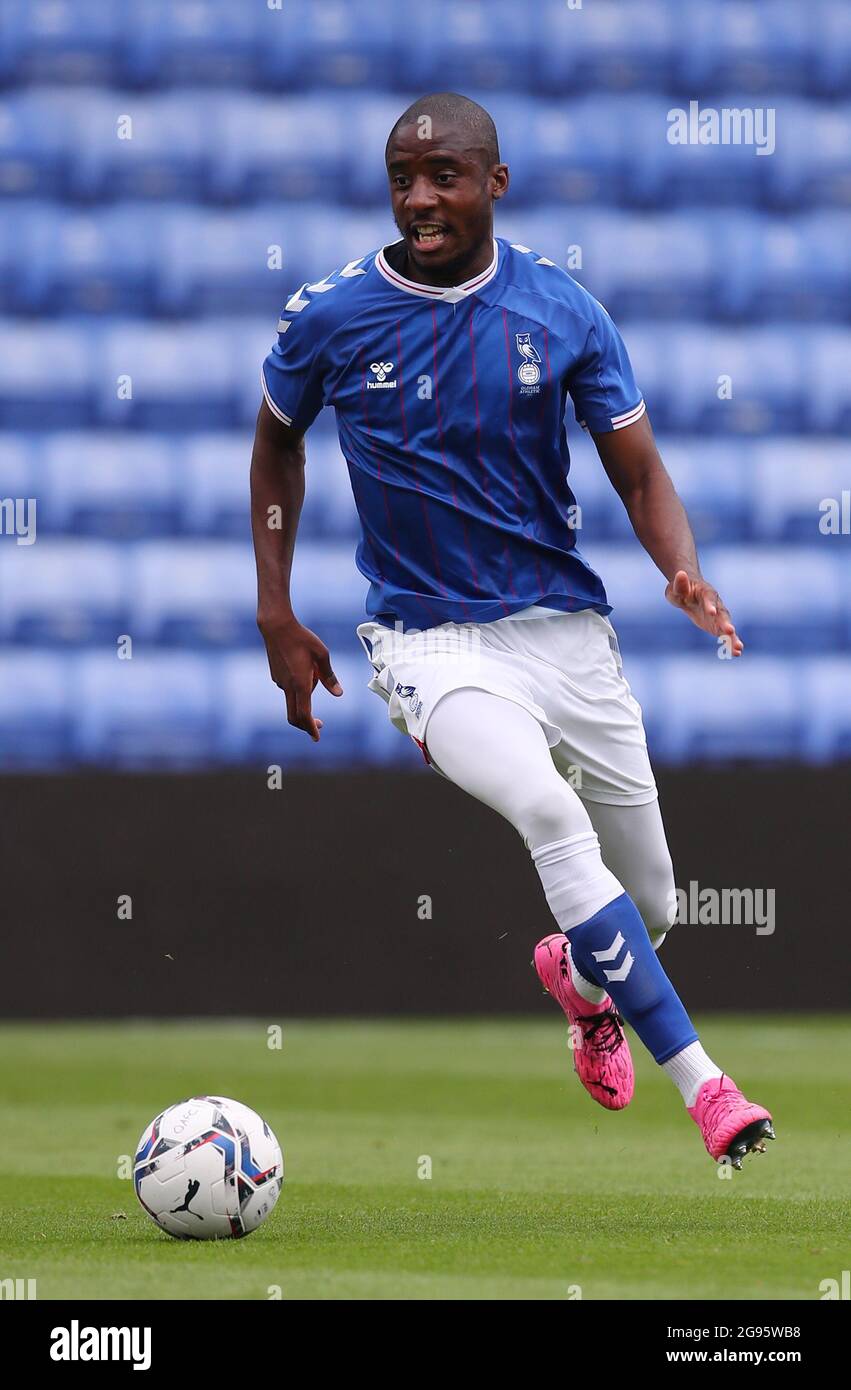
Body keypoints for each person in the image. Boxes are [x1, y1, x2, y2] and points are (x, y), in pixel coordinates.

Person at [249, 92, 774, 1169]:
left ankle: (579, 982)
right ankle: (707, 1088)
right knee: (542, 806)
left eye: (443, 175)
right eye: (403, 177)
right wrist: (276, 603)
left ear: (494, 182)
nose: (418, 199)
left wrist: (680, 566)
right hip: (428, 639)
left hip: (564, 633)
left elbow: (635, 466)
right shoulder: (331, 316)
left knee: (654, 906)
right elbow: (276, 445)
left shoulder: (562, 310)